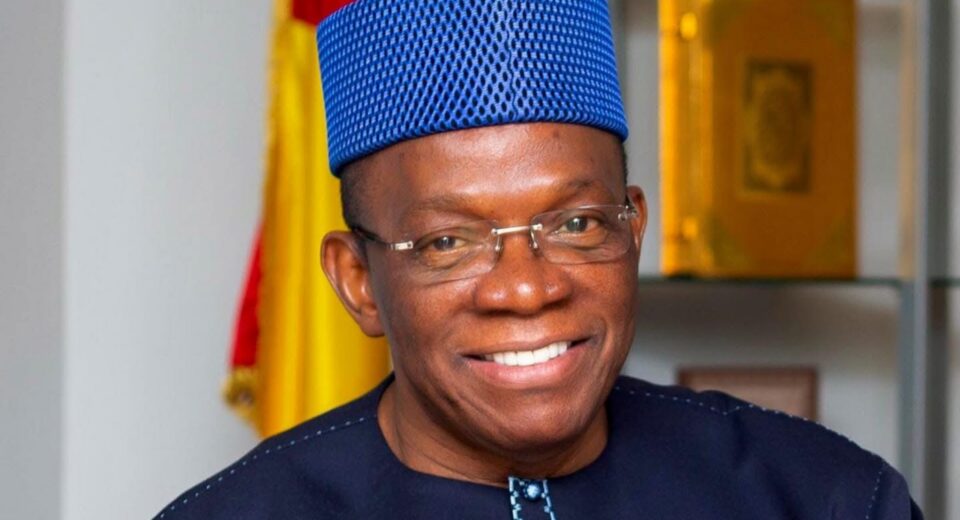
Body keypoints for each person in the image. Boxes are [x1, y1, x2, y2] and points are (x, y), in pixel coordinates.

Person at [156, 1, 922, 518]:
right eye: (448, 242)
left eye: (576, 223)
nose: (526, 289)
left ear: (633, 230)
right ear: (357, 282)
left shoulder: (824, 499)